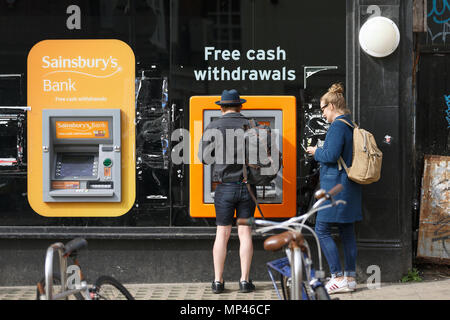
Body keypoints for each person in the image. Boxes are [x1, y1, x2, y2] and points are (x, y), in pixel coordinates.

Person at [198, 89, 257, 294]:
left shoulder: (213, 126)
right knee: (245, 232)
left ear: (221, 107)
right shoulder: (251, 125)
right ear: (240, 106)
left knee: (222, 233)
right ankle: (244, 281)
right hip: (247, 189)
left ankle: (218, 282)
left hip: (224, 189)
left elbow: (204, 158)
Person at [306, 83, 362, 294]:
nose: (322, 114)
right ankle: (350, 278)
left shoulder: (338, 126)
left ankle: (337, 277)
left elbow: (329, 156)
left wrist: (315, 150)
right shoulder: (350, 124)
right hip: (348, 186)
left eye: (322, 109)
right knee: (347, 232)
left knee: (321, 229)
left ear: (331, 106)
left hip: (335, 187)